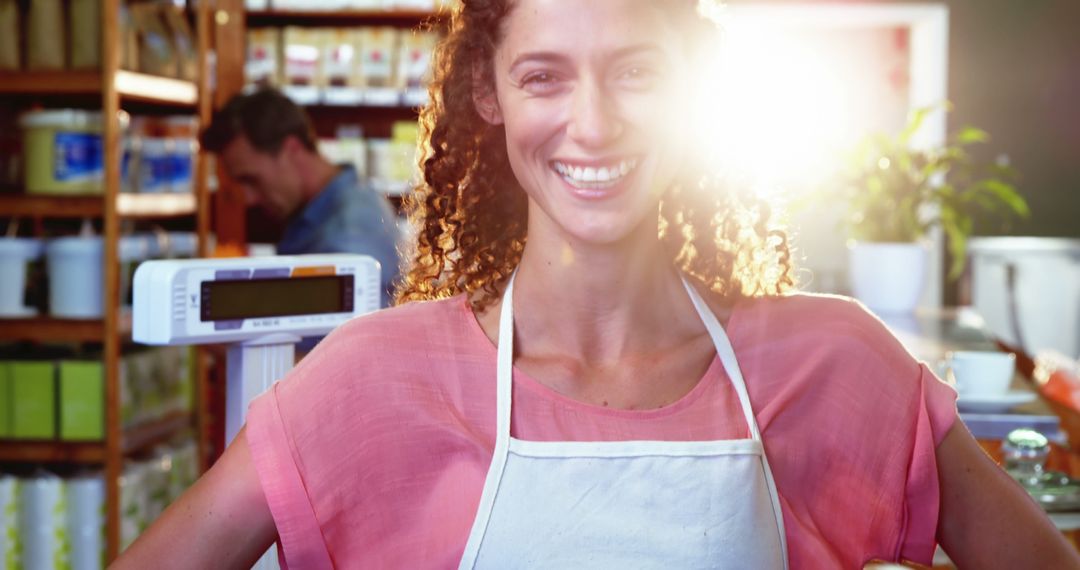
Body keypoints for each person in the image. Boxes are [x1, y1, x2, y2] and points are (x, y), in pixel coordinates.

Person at [117, 1, 1079, 568]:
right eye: (544, 78)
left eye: (636, 73)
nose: (594, 123)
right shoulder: (372, 382)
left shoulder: (832, 363)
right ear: (487, 97)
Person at [200, 88, 402, 307]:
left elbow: (339, 335)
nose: (249, 199)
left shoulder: (349, 232)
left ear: (292, 149)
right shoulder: (322, 211)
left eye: (252, 180)